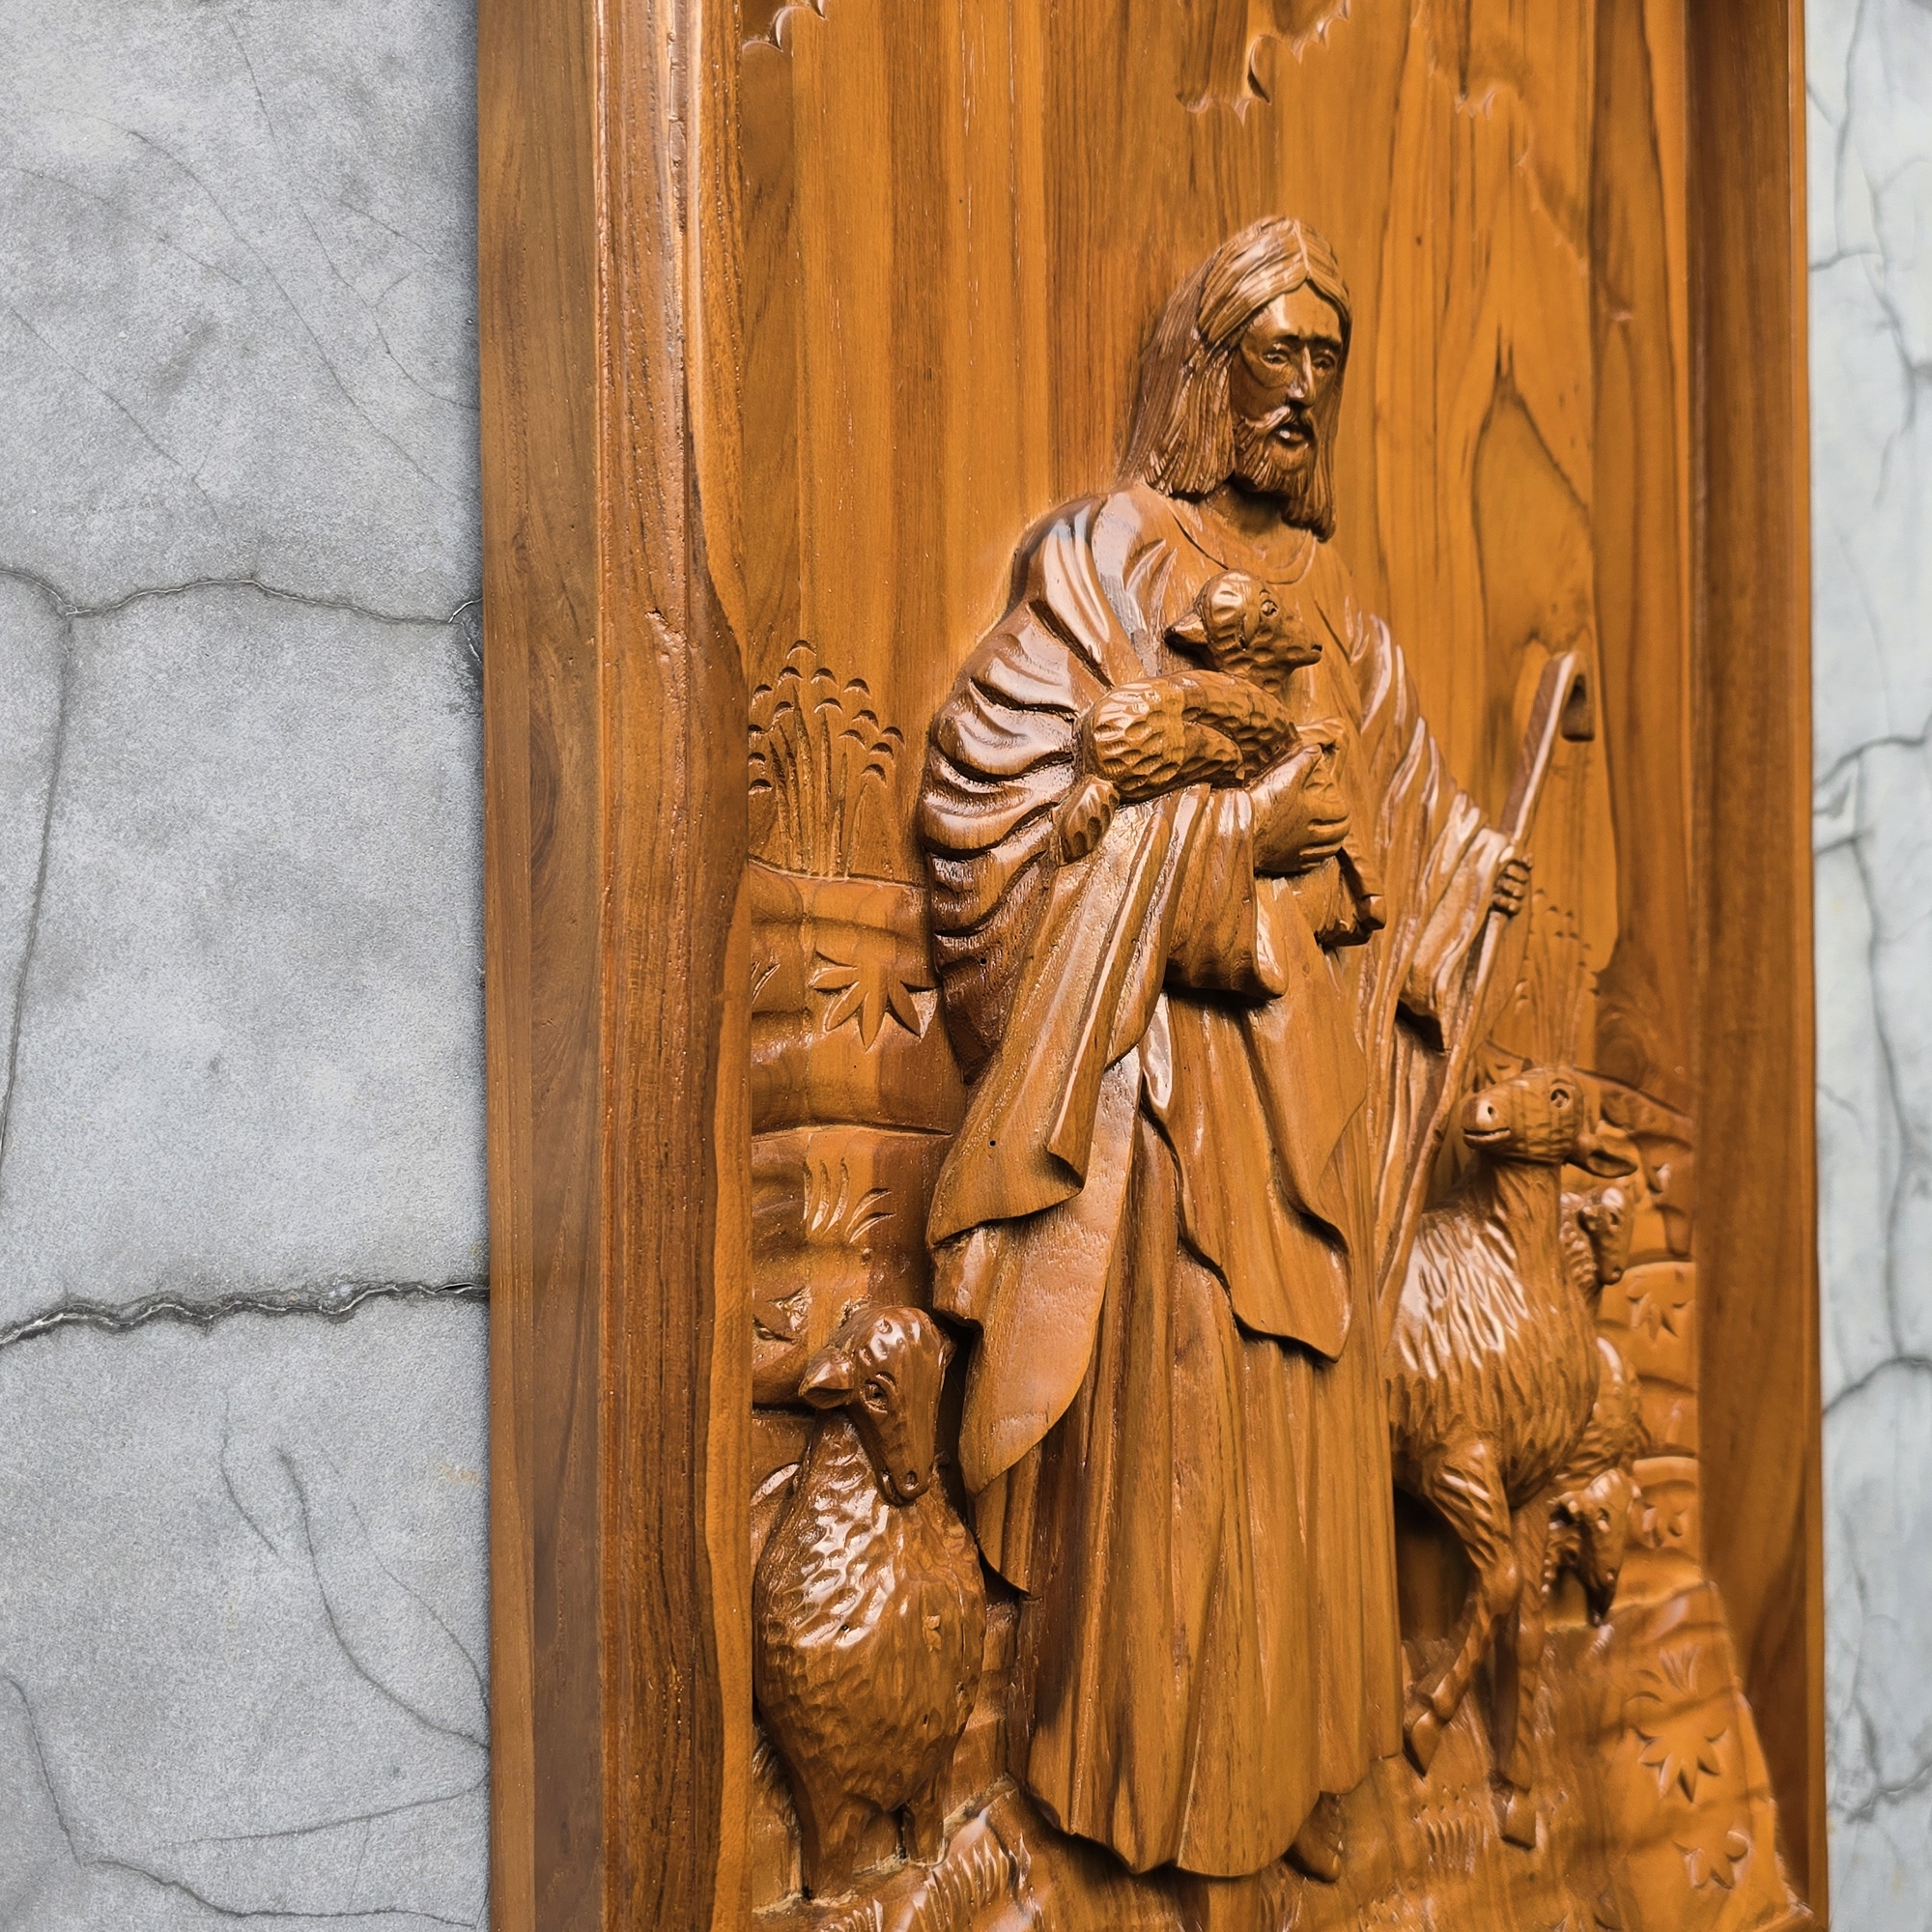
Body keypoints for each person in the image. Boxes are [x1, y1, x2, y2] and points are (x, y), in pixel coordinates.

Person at [917, 215, 1528, 1900]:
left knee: (1312, 1438)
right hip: (1181, 1095)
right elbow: (1003, 808)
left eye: (1330, 361)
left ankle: (1308, 1766)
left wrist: (1468, 882)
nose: (1308, 390)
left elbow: (1395, 817)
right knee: (1188, 1426)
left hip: (1315, 1093)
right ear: (1211, 369)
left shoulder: (1344, 611)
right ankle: (1144, 1788)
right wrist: (1234, 840)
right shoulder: (1115, 558)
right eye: (1281, 353)